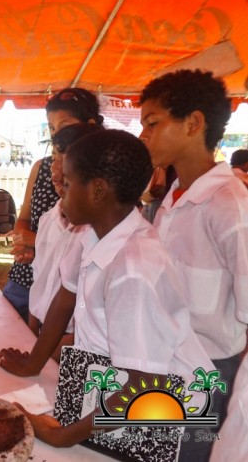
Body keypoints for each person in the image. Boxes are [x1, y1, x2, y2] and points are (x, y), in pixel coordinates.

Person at [22, 130, 214, 460]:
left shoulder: (132, 269)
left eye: (67, 185)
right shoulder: (91, 235)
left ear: (97, 191)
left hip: (157, 417)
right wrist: (32, 364)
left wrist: (63, 436)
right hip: (109, 397)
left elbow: (146, 387)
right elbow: (66, 296)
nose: (61, 195)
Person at [139, 69, 248, 443]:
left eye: (152, 123)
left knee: (189, 453)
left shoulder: (230, 206)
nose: (144, 135)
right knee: (154, 446)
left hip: (208, 369)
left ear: (194, 124)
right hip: (162, 358)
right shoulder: (171, 199)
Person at [0, 123, 100, 376]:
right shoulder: (49, 220)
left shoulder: (97, 231)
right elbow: (40, 285)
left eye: (64, 160)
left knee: (65, 412)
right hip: (46, 340)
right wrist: (31, 337)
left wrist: (40, 359)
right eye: (54, 158)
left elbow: (83, 319)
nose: (55, 169)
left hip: (76, 349)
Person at [3, 87, 104, 322]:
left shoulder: (101, 180)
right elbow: (24, 218)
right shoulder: (42, 169)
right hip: (28, 280)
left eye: (64, 125)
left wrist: (36, 241)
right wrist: (27, 244)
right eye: (51, 127)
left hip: (68, 298)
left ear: (89, 125)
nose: (56, 133)